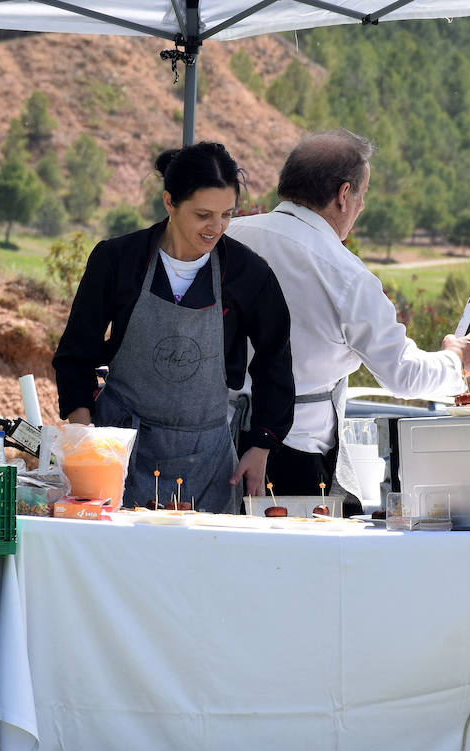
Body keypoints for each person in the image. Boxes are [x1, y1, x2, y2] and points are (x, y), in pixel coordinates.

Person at [226, 130, 470, 504]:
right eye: (362, 196)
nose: (361, 207)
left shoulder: (226, 238)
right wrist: (456, 361)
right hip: (291, 457)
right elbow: (402, 374)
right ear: (344, 194)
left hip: (207, 442)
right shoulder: (346, 275)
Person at [52, 141, 295, 514]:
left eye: (227, 215)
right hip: (118, 453)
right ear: (169, 202)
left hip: (208, 460)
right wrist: (84, 440)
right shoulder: (118, 260)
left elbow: (275, 361)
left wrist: (260, 446)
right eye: (202, 215)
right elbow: (75, 354)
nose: (216, 227)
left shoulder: (249, 274)